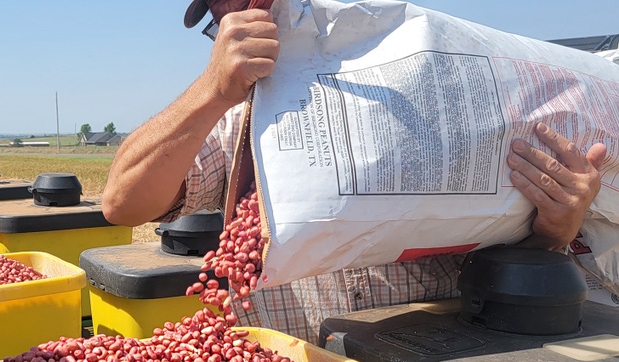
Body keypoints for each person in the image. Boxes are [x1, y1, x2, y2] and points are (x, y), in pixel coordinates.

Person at [102, 4, 608, 343]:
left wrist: (554, 230)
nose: (238, 29)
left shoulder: (439, 94)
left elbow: (505, 264)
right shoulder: (238, 121)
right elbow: (123, 202)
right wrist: (211, 88)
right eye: (222, 24)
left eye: (250, 6)